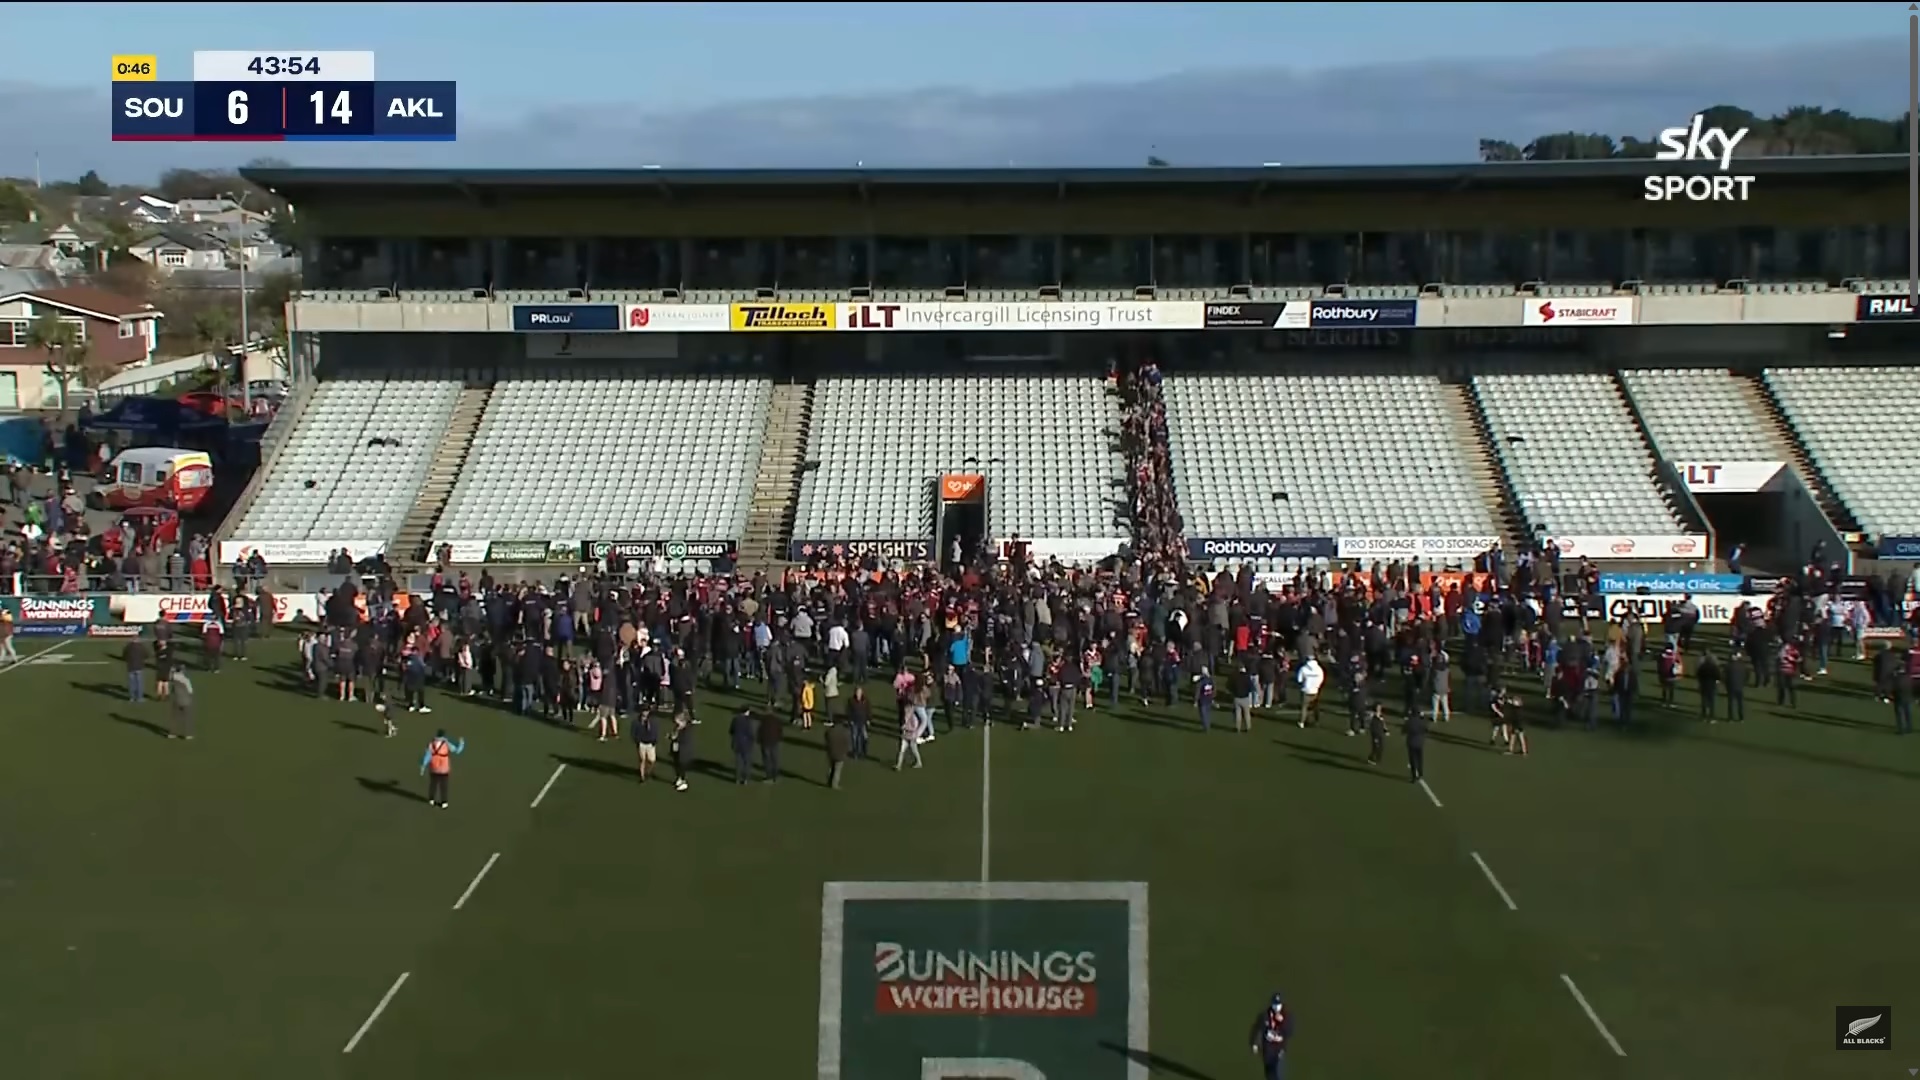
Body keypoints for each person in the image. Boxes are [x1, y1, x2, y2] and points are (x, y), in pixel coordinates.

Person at [1249, 992, 1292, 1080]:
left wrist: (1282, 1023)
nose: (1277, 1007)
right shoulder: (1265, 1015)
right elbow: (1256, 1028)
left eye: (1279, 1005)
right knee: (1269, 1075)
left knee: (1278, 1075)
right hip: (1268, 1051)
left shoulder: (1286, 1016)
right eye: (1275, 1004)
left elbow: (1289, 1031)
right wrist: (1254, 1043)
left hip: (1279, 1051)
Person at [419, 728, 465, 808]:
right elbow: (457, 750)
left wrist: (423, 766)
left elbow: (427, 756)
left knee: (433, 784)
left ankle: (431, 800)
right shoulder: (446, 743)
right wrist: (461, 743)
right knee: (444, 786)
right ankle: (444, 802)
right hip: (444, 768)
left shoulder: (431, 743)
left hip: (434, 767)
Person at [895, 699, 926, 771]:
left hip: (911, 736)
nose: (906, 710)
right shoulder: (905, 717)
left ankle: (919, 762)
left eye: (907, 708)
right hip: (905, 735)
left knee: (914, 750)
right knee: (901, 750)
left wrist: (905, 727)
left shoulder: (913, 718)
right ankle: (898, 765)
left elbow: (914, 727)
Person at [166, 667, 195, 740]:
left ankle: (172, 733)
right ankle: (188, 734)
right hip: (186, 701)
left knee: (174, 717)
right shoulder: (186, 680)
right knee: (187, 718)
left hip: (176, 700)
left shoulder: (173, 678)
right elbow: (190, 691)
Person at [632, 707, 658, 782]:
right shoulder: (637, 721)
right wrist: (637, 741)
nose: (645, 712)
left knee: (652, 760)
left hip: (650, 743)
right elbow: (633, 732)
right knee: (642, 760)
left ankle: (648, 771)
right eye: (644, 711)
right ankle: (642, 776)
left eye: (646, 711)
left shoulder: (652, 721)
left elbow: (655, 731)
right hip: (642, 743)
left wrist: (654, 740)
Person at [670, 712, 694, 792]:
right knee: (676, 765)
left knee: (681, 766)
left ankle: (684, 782)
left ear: (684, 722)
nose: (676, 723)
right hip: (676, 749)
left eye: (678, 722)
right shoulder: (678, 728)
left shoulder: (687, 730)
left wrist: (675, 738)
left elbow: (683, 740)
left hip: (683, 751)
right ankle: (679, 778)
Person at [825, 718, 851, 789]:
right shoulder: (846, 732)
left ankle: (829, 781)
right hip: (841, 753)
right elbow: (848, 743)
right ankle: (834, 784)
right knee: (837, 770)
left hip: (831, 751)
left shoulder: (830, 731)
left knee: (831, 767)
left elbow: (826, 737)